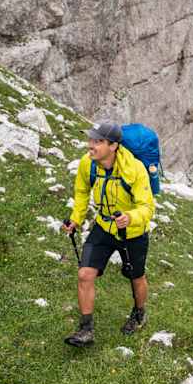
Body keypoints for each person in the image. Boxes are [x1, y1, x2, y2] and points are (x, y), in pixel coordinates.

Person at [62, 122, 155, 346]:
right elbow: (82, 191)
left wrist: (130, 217)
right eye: (90, 140)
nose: (91, 146)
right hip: (104, 226)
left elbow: (147, 207)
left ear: (113, 146)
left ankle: (139, 313)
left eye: (97, 141)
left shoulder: (134, 169)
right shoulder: (88, 164)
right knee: (85, 274)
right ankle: (86, 330)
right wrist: (76, 218)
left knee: (136, 276)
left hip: (132, 232)